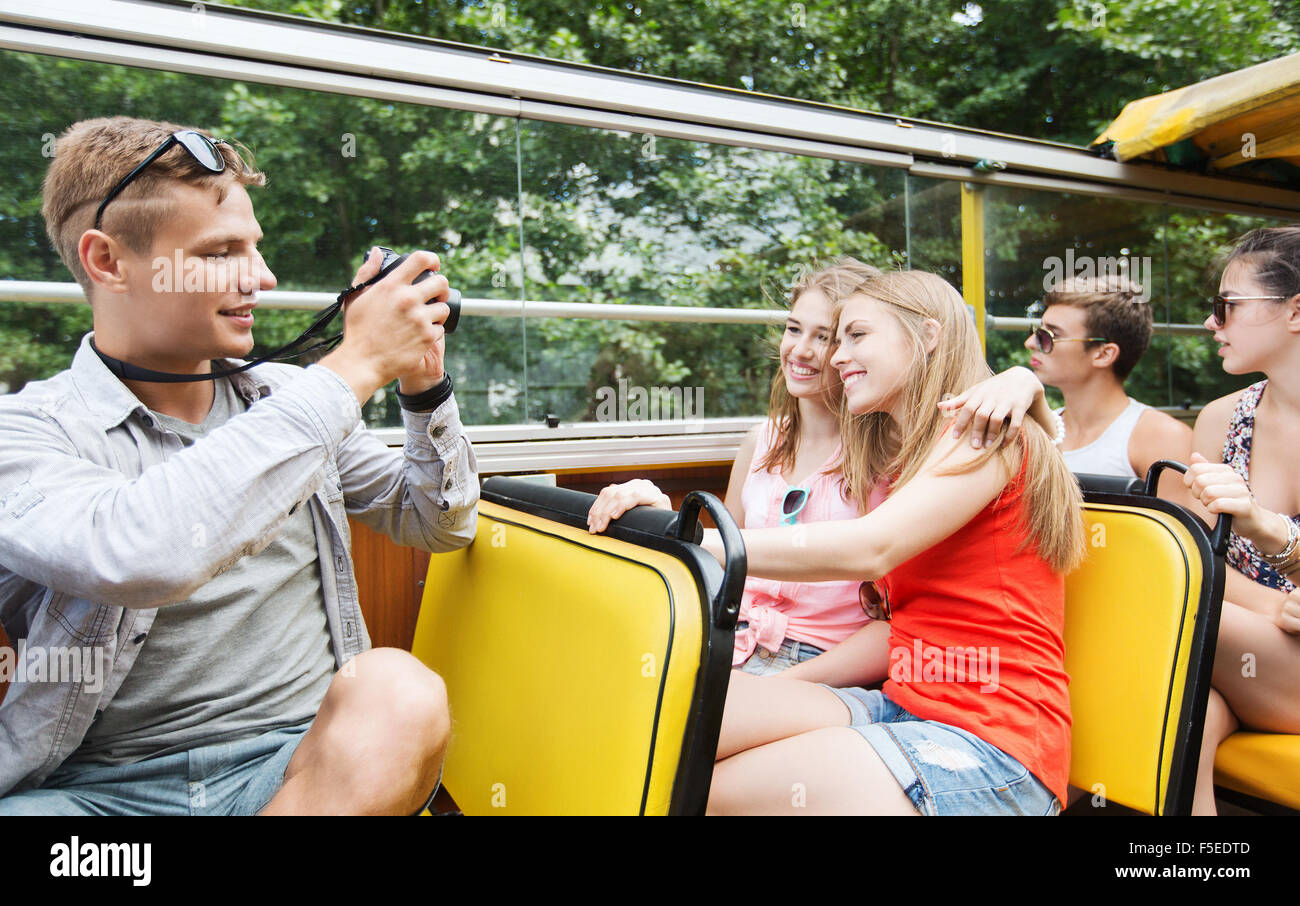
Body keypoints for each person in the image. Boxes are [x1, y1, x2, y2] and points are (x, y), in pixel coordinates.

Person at [0, 116, 478, 815]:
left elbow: (437, 522)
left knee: (399, 692)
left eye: (254, 247)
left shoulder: (289, 401)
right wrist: (356, 364)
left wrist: (421, 384)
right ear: (107, 261)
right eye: (223, 252)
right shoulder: (24, 432)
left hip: (301, 769)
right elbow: (138, 552)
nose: (262, 276)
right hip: (99, 798)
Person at [596, 268, 1086, 814]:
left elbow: (870, 547)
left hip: (990, 739)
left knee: (698, 792)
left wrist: (696, 542)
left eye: (854, 336)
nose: (832, 357)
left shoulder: (984, 433)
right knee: (662, 724)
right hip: (902, 703)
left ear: (927, 336)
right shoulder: (912, 453)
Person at [587, 260, 1056, 677]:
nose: (809, 352)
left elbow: (885, 583)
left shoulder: (896, 451)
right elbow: (727, 559)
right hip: (734, 637)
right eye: (794, 330)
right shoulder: (762, 442)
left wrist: (1023, 380)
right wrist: (663, 517)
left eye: (834, 337)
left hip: (822, 659)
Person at [1181, 226, 1300, 815]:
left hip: (1234, 643)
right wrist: (1275, 608)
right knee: (1192, 716)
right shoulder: (1222, 418)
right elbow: (1193, 566)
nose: (1211, 323)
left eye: (1226, 306)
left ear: (1296, 311)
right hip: (1249, 653)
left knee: (1171, 616)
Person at [1026, 274, 1192, 495]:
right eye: (1036, 332)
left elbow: (1183, 529)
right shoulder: (1035, 432)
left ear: (1104, 354)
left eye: (1050, 335)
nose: (1030, 343)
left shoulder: (1163, 437)